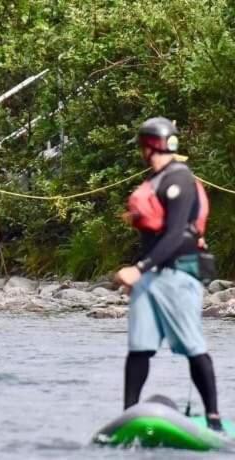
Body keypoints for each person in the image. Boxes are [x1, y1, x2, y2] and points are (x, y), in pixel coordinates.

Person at [115, 117, 221, 430]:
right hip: (151, 277)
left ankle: (213, 418)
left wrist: (138, 269)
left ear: (148, 147)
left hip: (178, 274)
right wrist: (142, 275)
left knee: (192, 346)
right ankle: (127, 414)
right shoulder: (156, 181)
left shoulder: (180, 180)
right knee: (139, 348)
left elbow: (175, 235)